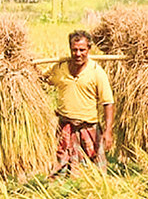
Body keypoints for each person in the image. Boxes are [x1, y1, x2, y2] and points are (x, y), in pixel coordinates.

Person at [43, 30, 114, 176]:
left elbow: (108, 103)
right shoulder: (60, 68)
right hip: (65, 127)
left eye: (82, 50)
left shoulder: (96, 72)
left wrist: (108, 131)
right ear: (70, 49)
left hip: (88, 128)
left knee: (94, 170)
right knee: (60, 166)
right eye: (74, 50)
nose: (78, 54)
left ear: (89, 49)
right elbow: (43, 79)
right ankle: (60, 194)